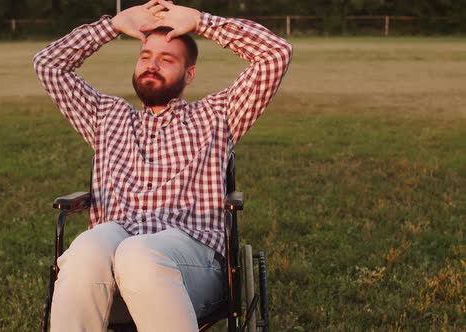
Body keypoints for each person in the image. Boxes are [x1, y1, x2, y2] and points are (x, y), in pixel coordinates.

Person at [33, 0, 292, 330]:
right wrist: (112, 26)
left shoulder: (217, 115)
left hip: (191, 258)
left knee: (137, 253)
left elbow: (275, 55)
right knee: (86, 247)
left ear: (189, 74)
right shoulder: (105, 116)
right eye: (145, 56)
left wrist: (201, 22)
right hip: (113, 250)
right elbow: (48, 65)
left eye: (166, 59)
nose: (152, 64)